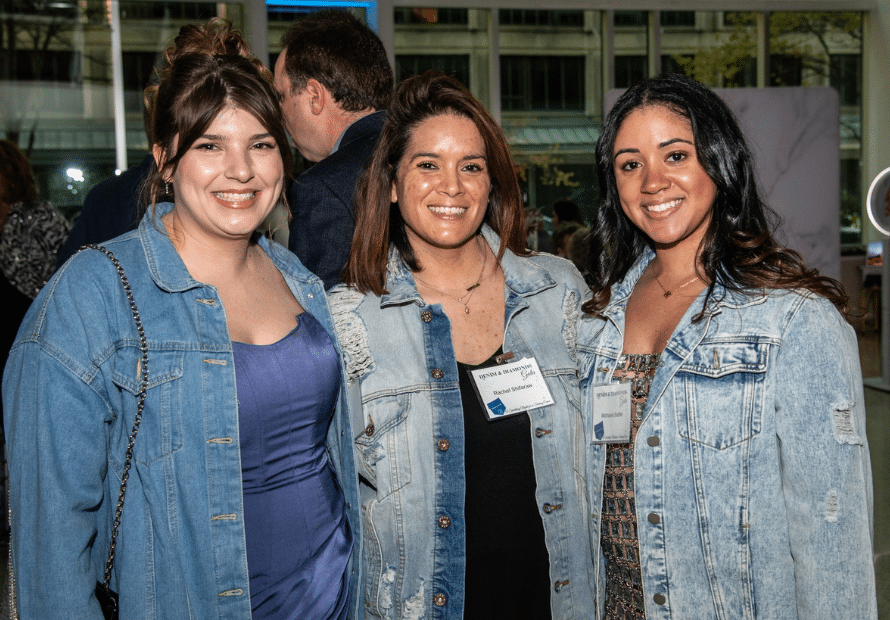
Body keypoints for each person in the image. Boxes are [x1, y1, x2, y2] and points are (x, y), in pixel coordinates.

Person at [3, 19, 361, 620]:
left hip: (336, 598)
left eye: (262, 144)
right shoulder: (92, 299)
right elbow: (52, 548)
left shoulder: (296, 278)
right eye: (210, 145)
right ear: (165, 159)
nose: (241, 170)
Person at [578, 73, 876, 619]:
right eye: (629, 164)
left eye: (675, 155)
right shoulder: (596, 318)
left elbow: (833, 541)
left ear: (718, 162)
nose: (651, 182)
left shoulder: (794, 321)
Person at [330, 71, 598, 619]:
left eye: (470, 167)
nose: (451, 186)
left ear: (491, 183)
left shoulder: (559, 293)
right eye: (427, 164)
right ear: (392, 183)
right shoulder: (349, 320)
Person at [274, 9, 393, 289]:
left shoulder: (323, 188)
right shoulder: (417, 151)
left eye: (281, 96)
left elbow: (320, 320)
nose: (279, 112)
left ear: (314, 96)